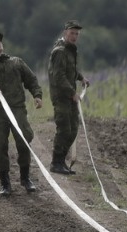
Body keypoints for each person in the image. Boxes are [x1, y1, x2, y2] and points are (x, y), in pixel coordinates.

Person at [0, 32, 43, 196]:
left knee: (24, 140)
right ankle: (5, 184)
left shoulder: (16, 62)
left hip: (17, 108)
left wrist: (37, 95)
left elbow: (31, 80)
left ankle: (26, 179)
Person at [47, 19, 89, 175]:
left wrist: (81, 78)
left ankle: (61, 161)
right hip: (61, 97)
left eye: (77, 34)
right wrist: (72, 93)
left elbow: (71, 70)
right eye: (72, 33)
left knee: (73, 130)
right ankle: (56, 162)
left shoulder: (71, 50)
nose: (75, 36)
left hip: (70, 97)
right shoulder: (60, 51)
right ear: (65, 33)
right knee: (64, 129)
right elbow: (59, 76)